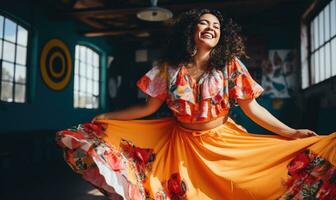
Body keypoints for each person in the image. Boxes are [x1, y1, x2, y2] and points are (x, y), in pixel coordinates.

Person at [56, 9, 336, 200]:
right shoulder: (167, 69)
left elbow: (253, 109)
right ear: (191, 29)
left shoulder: (230, 66)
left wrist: (290, 133)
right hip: (180, 143)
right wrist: (108, 116)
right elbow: (146, 109)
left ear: (221, 36)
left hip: (222, 142)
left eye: (216, 26)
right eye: (205, 23)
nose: (211, 28)